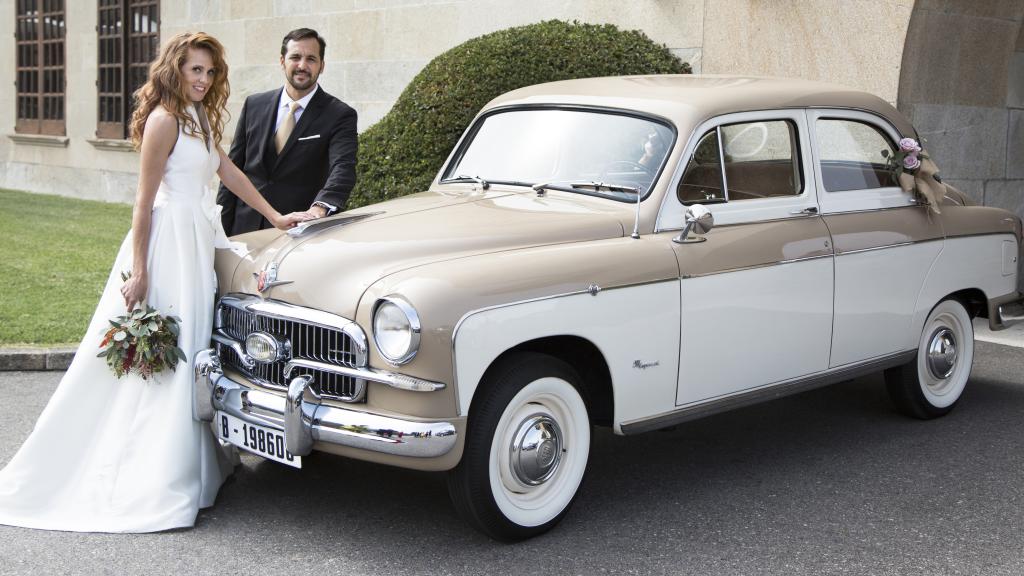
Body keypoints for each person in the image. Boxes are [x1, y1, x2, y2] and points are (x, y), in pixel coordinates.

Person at [0, 32, 308, 533]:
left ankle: (195, 463)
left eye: (210, 72)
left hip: (195, 244)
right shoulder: (164, 119)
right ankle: (155, 473)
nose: (204, 80)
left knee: (192, 347)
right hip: (165, 248)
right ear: (175, 69)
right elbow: (143, 202)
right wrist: (140, 271)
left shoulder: (201, 116)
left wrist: (274, 217)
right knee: (166, 351)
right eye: (195, 71)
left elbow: (225, 169)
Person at [217, 28, 358, 235]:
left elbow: (343, 168)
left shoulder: (340, 114)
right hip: (244, 228)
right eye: (295, 57)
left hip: (298, 232)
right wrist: (221, 227)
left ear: (322, 66)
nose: (302, 65)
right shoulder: (254, 104)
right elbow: (233, 167)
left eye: (311, 59)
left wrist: (320, 208)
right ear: (282, 61)